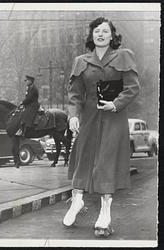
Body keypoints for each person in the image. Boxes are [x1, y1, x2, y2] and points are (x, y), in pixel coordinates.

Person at [63, 17, 140, 237]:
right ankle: (76, 202)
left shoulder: (124, 56)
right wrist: (73, 117)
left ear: (112, 35)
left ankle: (105, 213)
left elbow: (133, 88)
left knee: (106, 161)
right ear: (91, 35)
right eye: (97, 31)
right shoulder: (81, 61)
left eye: (105, 31)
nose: (100, 34)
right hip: (88, 118)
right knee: (83, 159)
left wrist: (115, 104)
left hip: (114, 118)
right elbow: (75, 95)